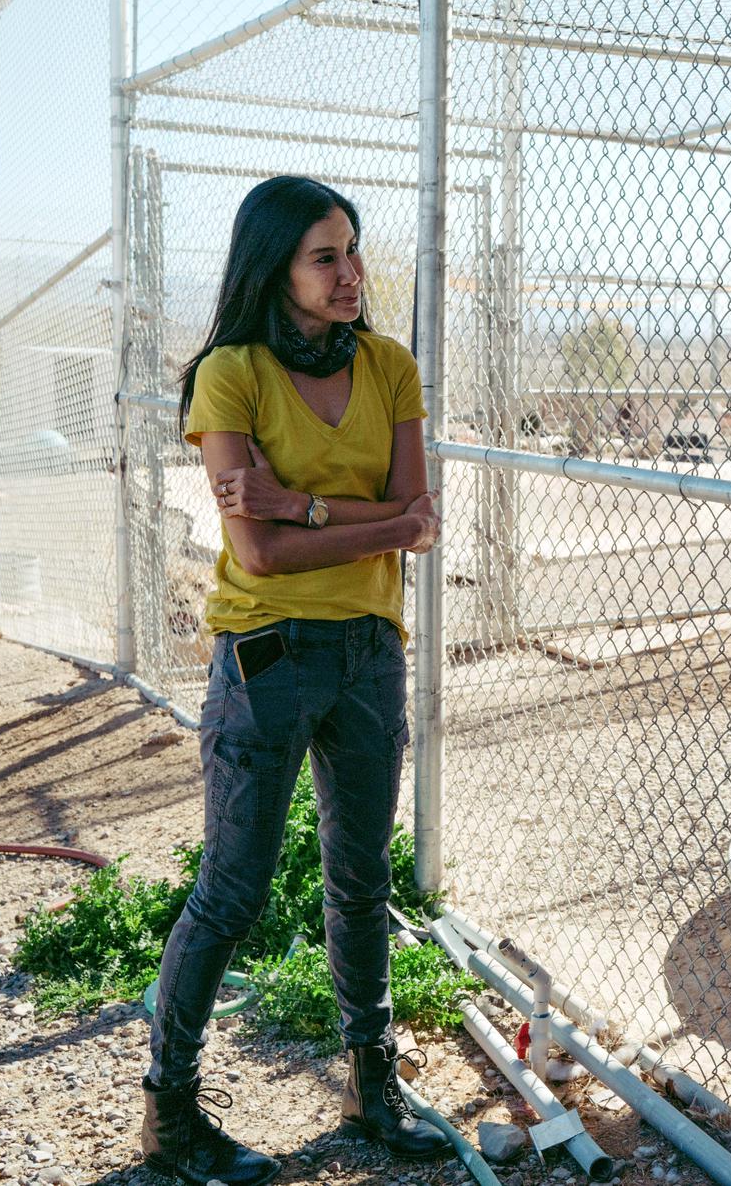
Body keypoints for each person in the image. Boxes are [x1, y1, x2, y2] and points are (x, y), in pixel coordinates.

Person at [140, 175, 447, 1185]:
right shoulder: (229, 375)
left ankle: (372, 1082)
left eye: (352, 250)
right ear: (276, 266)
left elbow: (418, 521)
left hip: (369, 652)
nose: (351, 272)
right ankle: (172, 1117)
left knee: (362, 883)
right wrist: (368, 524)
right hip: (263, 657)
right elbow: (259, 555)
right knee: (233, 889)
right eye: (325, 255)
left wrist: (307, 509)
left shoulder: (391, 366)